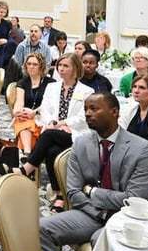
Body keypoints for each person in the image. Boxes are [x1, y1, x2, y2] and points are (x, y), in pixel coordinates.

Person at [39, 92, 148, 251]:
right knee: (41, 228)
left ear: (114, 112)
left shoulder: (143, 149)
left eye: (94, 109)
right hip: (92, 213)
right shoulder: (80, 144)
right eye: (86, 109)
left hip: (127, 217)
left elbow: (134, 198)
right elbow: (73, 193)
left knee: (100, 239)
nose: (87, 113)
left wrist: (92, 191)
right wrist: (102, 213)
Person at [14, 54, 93, 213]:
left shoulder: (87, 91)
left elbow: (83, 117)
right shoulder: (52, 87)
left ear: (75, 69)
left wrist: (61, 124)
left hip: (74, 133)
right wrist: (51, 122)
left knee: (49, 135)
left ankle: (27, 168)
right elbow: (44, 110)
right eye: (60, 65)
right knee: (52, 151)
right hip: (54, 131)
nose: (61, 69)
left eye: (66, 66)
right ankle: (60, 196)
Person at [12, 52, 54, 155]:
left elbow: (49, 105)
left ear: (41, 66)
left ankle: (28, 154)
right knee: (22, 120)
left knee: (26, 123)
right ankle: (28, 153)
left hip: (43, 115)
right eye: (29, 64)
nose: (31, 67)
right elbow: (19, 103)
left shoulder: (51, 83)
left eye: (35, 64)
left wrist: (34, 112)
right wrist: (17, 112)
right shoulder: (22, 82)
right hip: (26, 116)